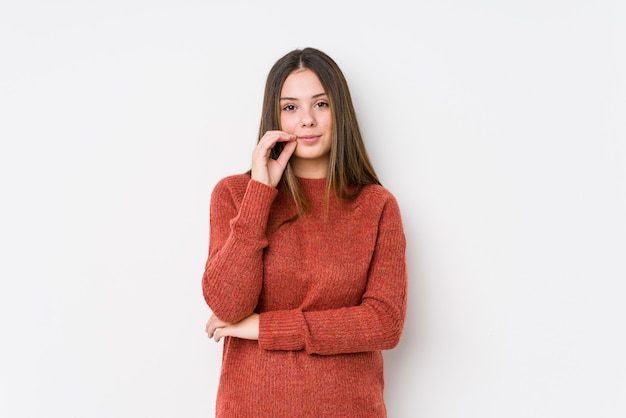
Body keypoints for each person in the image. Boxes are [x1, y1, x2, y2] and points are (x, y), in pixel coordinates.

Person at [202, 47, 408, 417]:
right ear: (274, 116)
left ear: (339, 112)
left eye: (321, 104)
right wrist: (260, 194)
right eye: (291, 107)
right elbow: (227, 305)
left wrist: (264, 327)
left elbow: (384, 323)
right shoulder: (235, 195)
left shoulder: (377, 205)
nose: (308, 120)